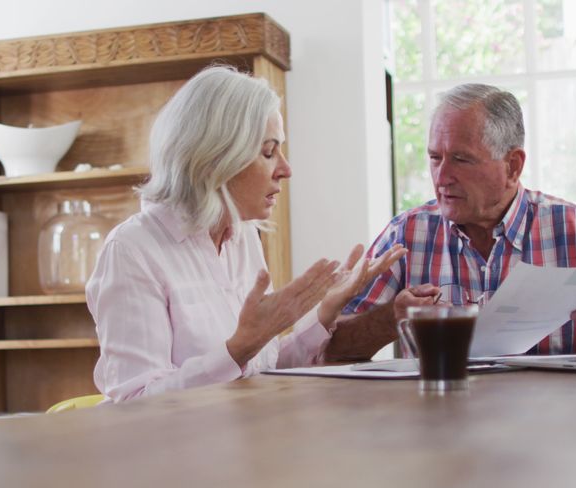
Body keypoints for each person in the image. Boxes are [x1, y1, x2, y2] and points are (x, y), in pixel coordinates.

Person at [87, 66, 405, 402]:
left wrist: (325, 312)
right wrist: (239, 348)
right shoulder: (132, 250)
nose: (285, 169)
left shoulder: (242, 236)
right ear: (216, 157)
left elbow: (263, 371)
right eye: (269, 152)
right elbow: (134, 404)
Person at [326, 83, 576, 361]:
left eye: (461, 159)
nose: (441, 176)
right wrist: (392, 317)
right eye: (435, 158)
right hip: (438, 406)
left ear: (513, 165)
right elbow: (332, 348)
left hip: (553, 407)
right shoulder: (406, 234)